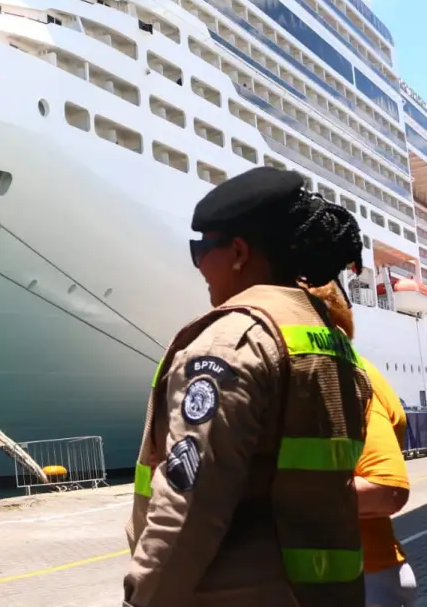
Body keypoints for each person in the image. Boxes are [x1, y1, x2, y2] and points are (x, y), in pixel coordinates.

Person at [124, 166, 373, 607]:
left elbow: (188, 508)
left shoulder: (234, 341)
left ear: (238, 251)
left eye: (200, 248)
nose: (199, 264)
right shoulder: (329, 338)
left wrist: (141, 601)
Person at [311, 282, 415, 607]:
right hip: (369, 574)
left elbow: (387, 488)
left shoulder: (346, 375)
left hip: (363, 577)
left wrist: (285, 494)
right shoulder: (350, 370)